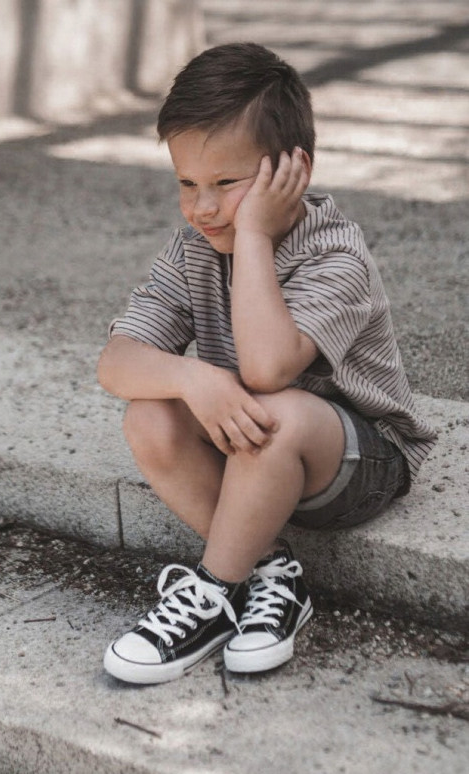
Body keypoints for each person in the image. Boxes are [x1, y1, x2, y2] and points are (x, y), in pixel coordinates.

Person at [97, 42, 436, 685]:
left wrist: (252, 235)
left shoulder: (336, 254)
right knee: (151, 414)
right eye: (188, 184)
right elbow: (115, 363)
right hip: (256, 451)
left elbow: (267, 370)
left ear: (293, 169)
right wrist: (189, 376)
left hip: (362, 461)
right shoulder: (193, 249)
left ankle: (214, 588)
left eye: (227, 184)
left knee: (274, 409)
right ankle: (271, 573)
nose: (203, 207)